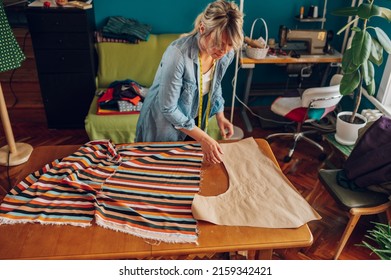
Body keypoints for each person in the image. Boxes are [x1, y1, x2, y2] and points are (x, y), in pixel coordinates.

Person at [135, 0, 244, 164]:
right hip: (161, 121)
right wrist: (203, 138)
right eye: (218, 43)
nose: (223, 50)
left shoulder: (226, 54)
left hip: (190, 118)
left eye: (229, 45)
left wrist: (220, 115)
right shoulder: (177, 55)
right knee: (160, 169)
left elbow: (215, 83)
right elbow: (168, 107)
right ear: (202, 29)